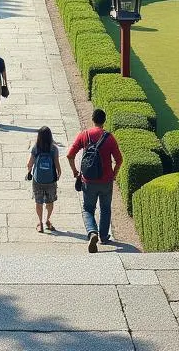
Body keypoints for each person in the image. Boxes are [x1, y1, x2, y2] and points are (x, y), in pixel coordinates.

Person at [67, 108, 123, 253]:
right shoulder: (109, 138)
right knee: (105, 209)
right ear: (104, 121)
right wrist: (114, 174)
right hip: (106, 181)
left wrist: (75, 171)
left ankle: (92, 232)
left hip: (88, 180)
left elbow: (70, 155)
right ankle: (104, 236)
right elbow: (119, 160)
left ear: (93, 119)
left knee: (88, 209)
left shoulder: (84, 135)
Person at [26, 125, 61, 232]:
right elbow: (57, 165)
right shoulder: (54, 149)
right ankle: (47, 220)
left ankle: (40, 223)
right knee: (50, 202)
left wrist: (29, 172)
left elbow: (29, 164)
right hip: (50, 180)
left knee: (39, 202)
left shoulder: (36, 147)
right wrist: (58, 174)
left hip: (38, 180)